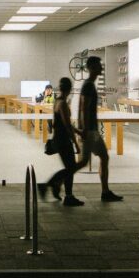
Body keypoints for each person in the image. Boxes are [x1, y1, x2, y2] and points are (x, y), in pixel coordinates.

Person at [76, 56, 123, 202]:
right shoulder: (88, 85)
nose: (101, 68)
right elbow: (83, 108)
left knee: (91, 160)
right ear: (91, 68)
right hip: (90, 131)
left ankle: (105, 191)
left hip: (89, 130)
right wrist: (84, 129)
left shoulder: (88, 85)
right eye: (98, 65)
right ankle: (56, 181)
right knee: (99, 158)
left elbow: (80, 108)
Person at [38, 77, 86, 206]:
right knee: (70, 168)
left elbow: (62, 123)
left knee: (69, 168)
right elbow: (67, 125)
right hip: (63, 140)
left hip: (59, 139)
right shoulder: (63, 104)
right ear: (70, 89)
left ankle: (57, 188)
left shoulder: (58, 102)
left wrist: (78, 132)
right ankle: (51, 186)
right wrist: (76, 142)